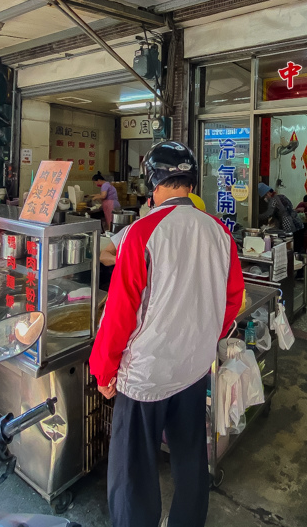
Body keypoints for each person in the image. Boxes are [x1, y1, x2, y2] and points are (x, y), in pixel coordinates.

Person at [90, 141, 245, 527]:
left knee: (133, 473)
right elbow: (233, 299)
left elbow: (120, 314)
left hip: (146, 376)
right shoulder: (219, 232)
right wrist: (206, 338)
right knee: (191, 458)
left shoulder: (144, 232)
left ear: (153, 183)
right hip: (193, 370)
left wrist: (103, 370)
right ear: (190, 182)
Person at [258, 183, 306, 252]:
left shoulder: (273, 200)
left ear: (268, 193)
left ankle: (295, 259)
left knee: (292, 246)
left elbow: (269, 213)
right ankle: (299, 259)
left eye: (265, 196)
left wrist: (256, 216)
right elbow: (289, 207)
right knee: (298, 244)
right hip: (297, 222)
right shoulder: (281, 196)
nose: (265, 198)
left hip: (288, 224)